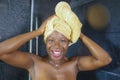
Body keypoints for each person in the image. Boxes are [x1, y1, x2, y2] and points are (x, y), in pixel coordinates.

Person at [0, 1, 112, 80]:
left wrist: (79, 34)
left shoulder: (74, 64)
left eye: (63, 40)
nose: (56, 46)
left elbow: (105, 59)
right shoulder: (34, 63)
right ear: (45, 41)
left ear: (69, 42)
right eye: (51, 40)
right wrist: (38, 32)